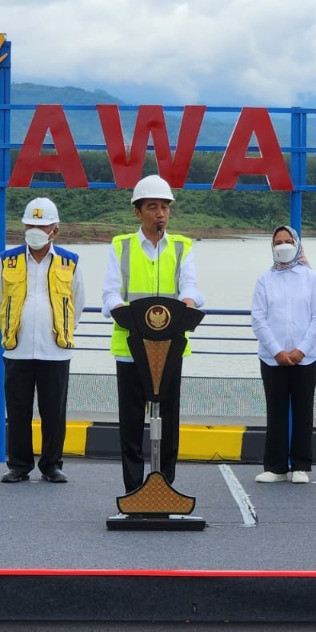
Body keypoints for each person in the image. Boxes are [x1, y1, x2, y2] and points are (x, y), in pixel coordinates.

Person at [103, 174, 204, 493]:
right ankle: (133, 488)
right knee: (131, 422)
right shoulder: (121, 246)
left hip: (170, 349)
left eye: (165, 207)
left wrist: (189, 300)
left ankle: (166, 486)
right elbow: (109, 294)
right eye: (152, 207)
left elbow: (191, 287)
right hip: (131, 348)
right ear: (138, 212)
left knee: (169, 421)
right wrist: (121, 308)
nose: (160, 213)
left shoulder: (181, 246)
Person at [0, 197, 85, 484]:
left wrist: (63, 330)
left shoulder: (70, 261)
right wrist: (7, 328)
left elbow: (78, 302)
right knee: (17, 410)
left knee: (54, 411)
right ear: (23, 226)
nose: (36, 229)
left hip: (55, 350)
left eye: (42, 225)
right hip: (17, 348)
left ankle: (51, 465)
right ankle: (19, 465)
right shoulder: (8, 260)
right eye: (31, 224)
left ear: (54, 229)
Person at [250, 225, 316, 485]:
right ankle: (276, 466)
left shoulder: (311, 277)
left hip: (307, 357)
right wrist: (278, 351)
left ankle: (301, 465)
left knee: (304, 409)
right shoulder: (264, 280)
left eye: (287, 241)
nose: (282, 246)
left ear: (296, 244)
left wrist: (300, 350)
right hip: (272, 358)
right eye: (277, 242)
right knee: (277, 410)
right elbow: (259, 319)